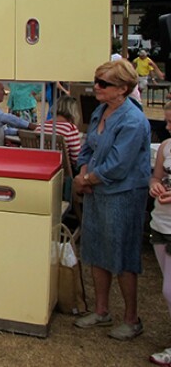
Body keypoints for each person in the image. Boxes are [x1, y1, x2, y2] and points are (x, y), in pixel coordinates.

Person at [73, 60, 150, 340]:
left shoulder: (133, 120)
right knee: (95, 250)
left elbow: (119, 164)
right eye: (97, 80)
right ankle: (101, 310)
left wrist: (88, 180)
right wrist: (83, 173)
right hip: (97, 192)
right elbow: (87, 146)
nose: (96, 86)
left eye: (103, 83)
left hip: (123, 196)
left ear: (123, 89)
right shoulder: (100, 111)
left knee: (122, 256)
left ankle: (131, 319)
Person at [148, 101, 171, 364]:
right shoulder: (165, 147)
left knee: (168, 289)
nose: (166, 127)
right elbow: (155, 177)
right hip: (160, 222)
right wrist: (154, 185)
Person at [38, 95, 83, 163]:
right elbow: (76, 159)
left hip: (41, 166)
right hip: (62, 170)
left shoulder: (41, 126)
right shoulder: (70, 129)